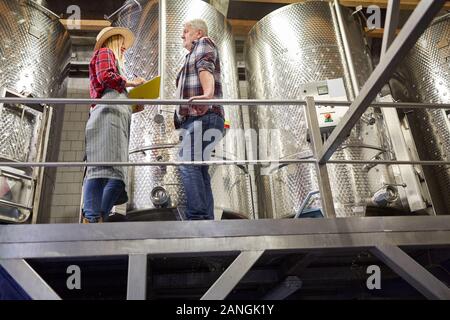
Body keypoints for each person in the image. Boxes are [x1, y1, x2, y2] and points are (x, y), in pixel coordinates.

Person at [82, 27, 145, 223]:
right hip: (106, 117)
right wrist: (132, 83)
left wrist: (134, 104)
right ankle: (93, 217)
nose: (125, 48)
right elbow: (106, 77)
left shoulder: (117, 65)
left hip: (116, 119)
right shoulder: (105, 53)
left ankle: (97, 217)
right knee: (100, 170)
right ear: (114, 42)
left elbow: (114, 86)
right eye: (122, 44)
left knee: (116, 175)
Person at [175, 19, 225, 220]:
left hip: (203, 115)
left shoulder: (204, 43)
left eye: (186, 31)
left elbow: (205, 66)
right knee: (199, 168)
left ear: (198, 33)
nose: (182, 35)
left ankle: (196, 217)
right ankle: (206, 218)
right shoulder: (190, 56)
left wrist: (208, 93)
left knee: (187, 163)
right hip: (196, 119)